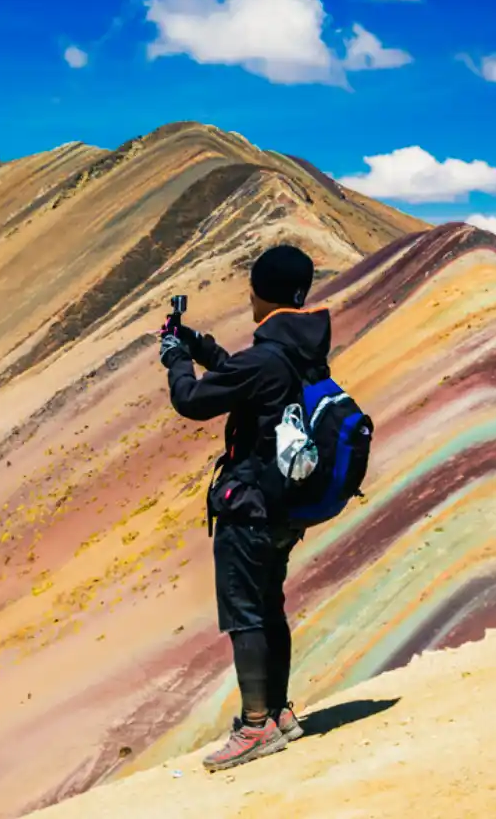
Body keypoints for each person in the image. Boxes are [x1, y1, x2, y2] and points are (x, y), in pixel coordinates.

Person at [157, 243, 332, 772]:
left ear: (261, 294)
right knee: (269, 608)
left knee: (246, 614)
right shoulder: (302, 353)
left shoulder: (266, 359)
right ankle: (279, 714)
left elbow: (193, 401)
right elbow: (243, 374)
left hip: (249, 506)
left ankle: (255, 726)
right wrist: (197, 343)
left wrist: (175, 361)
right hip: (283, 508)